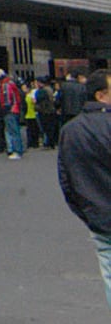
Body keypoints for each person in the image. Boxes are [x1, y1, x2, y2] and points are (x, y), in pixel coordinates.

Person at [57, 70, 111, 308]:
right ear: (102, 95)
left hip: (98, 217)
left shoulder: (71, 130)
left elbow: (67, 180)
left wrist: (87, 213)